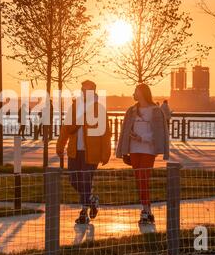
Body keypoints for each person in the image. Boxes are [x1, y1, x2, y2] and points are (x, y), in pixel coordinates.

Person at [56, 80, 112, 224]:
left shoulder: (99, 109)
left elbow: (105, 133)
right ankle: (91, 200)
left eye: (88, 90)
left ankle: (83, 212)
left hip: (91, 153)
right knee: (74, 181)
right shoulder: (75, 107)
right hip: (75, 151)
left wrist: (106, 153)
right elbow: (66, 128)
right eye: (83, 90)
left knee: (86, 181)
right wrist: (60, 145)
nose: (84, 93)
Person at [116, 84, 170, 225]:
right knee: (138, 179)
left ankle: (146, 210)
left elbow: (158, 133)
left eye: (136, 91)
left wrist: (142, 138)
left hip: (148, 150)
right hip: (134, 149)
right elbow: (125, 130)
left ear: (142, 92)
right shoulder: (132, 110)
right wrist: (126, 144)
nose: (134, 93)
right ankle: (146, 209)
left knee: (143, 178)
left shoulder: (156, 111)